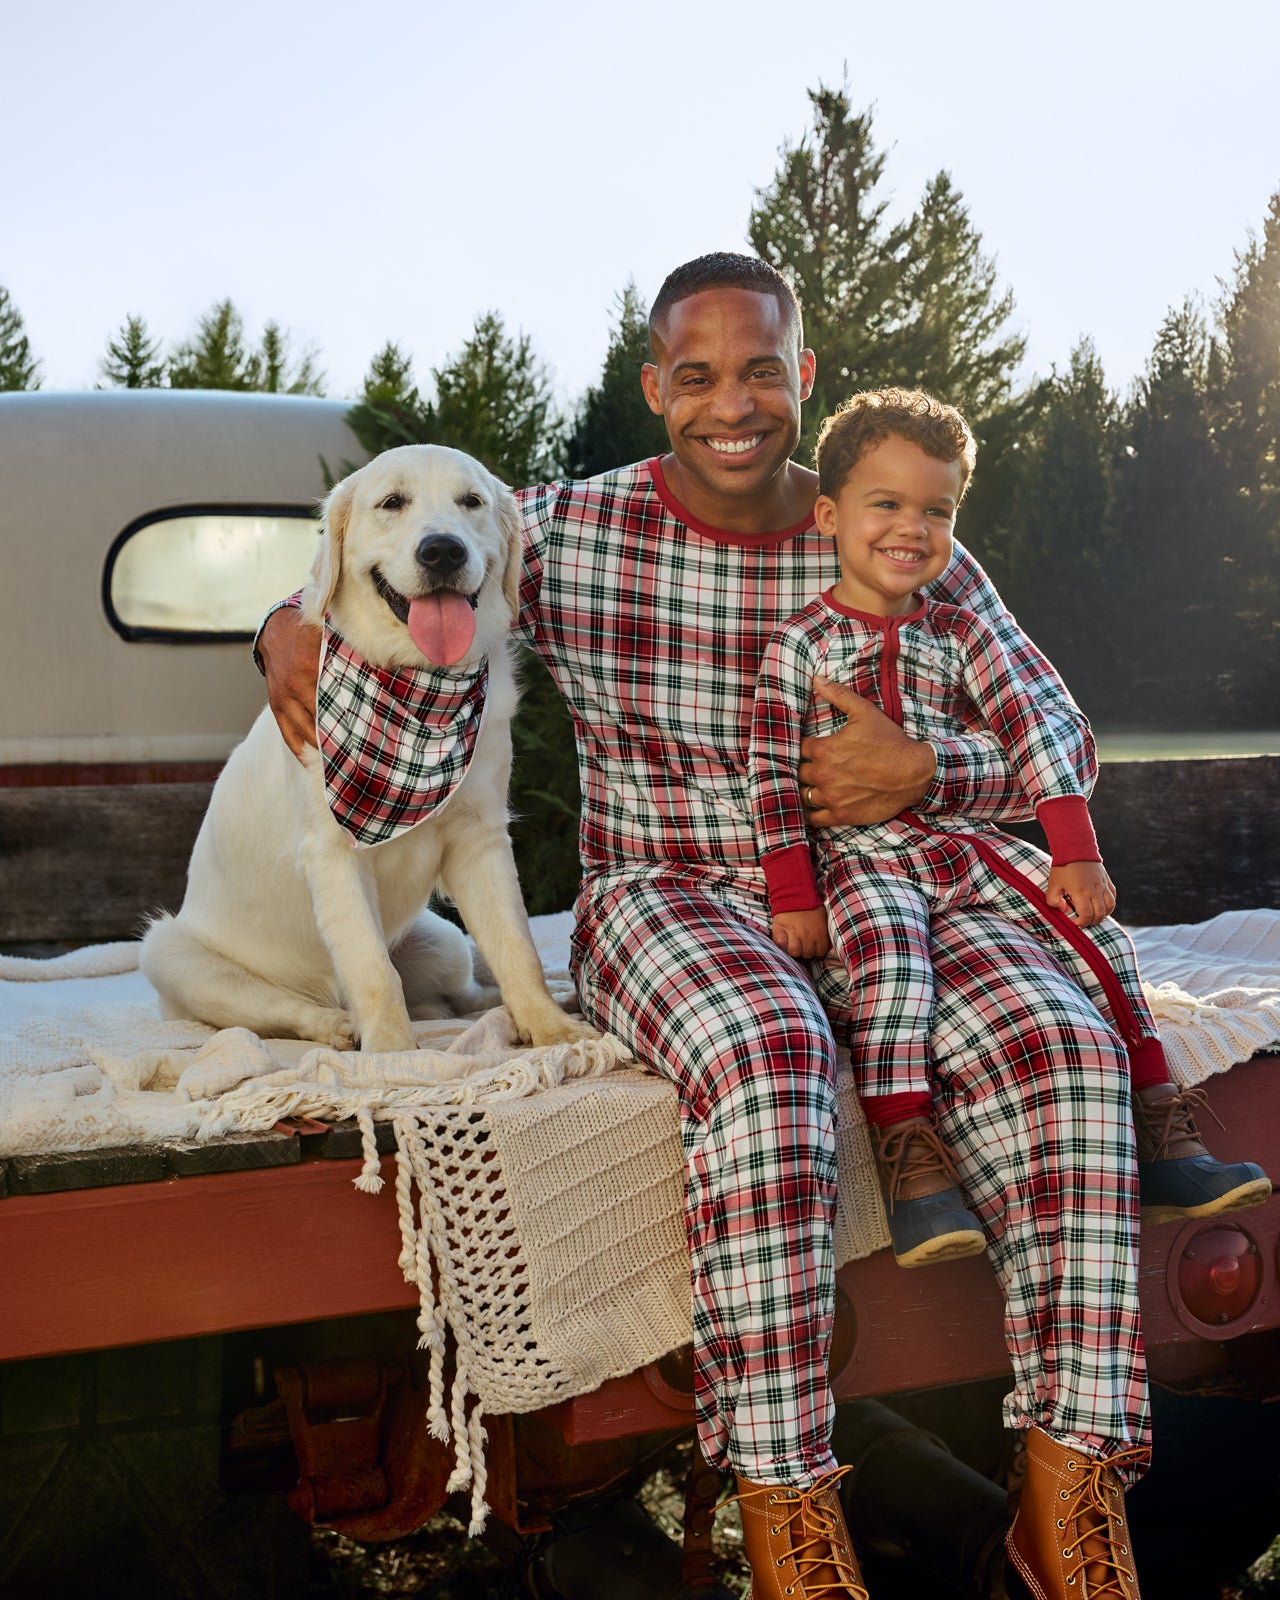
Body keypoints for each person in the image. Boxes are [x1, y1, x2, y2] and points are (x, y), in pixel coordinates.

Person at [257, 252, 1165, 1599]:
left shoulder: (889, 523)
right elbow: (392, 559)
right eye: (696, 376)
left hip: (890, 883)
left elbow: (1048, 732)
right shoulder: (560, 531)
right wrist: (283, 619)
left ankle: (1067, 1500)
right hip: (667, 895)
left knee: (1065, 1046)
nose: (730, 403)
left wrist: (929, 776)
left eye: (759, 372)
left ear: (803, 378)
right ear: (654, 390)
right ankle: (792, 1516)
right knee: (769, 1055)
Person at [749, 388, 1271, 1274]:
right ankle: (912, 1162)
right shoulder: (800, 644)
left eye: (937, 510)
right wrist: (794, 895)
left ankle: (1161, 1127)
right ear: (831, 514)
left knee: (1093, 935)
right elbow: (771, 773)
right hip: (864, 861)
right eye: (887, 505)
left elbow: (1033, 726)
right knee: (892, 968)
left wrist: (1075, 849)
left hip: (962, 843)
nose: (912, 528)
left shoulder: (959, 630)